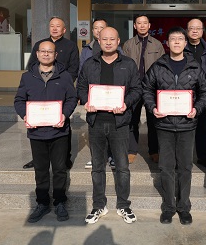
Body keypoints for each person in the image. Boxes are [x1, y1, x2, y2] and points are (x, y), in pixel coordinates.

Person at [142, 27, 206, 225]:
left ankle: (183, 207)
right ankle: (168, 207)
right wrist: (153, 107)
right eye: (173, 39)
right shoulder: (158, 66)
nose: (177, 42)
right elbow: (146, 89)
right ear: (167, 43)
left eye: (180, 39)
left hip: (187, 125)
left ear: (185, 43)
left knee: (185, 167)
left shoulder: (194, 67)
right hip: (164, 125)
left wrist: (196, 109)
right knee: (166, 167)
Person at [77, 27, 142, 224]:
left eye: (112, 39)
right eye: (104, 39)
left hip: (119, 123)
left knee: (122, 167)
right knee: (97, 167)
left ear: (118, 41)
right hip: (96, 122)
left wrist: (126, 104)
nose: (108, 42)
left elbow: (137, 89)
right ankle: (99, 205)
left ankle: (124, 205)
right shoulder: (90, 64)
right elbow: (81, 87)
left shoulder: (128, 64)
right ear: (99, 41)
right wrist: (86, 101)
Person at [14, 41, 78, 223]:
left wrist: (64, 115)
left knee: (59, 169)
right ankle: (42, 203)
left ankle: (60, 202)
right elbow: (19, 100)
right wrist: (25, 115)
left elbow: (72, 98)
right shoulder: (27, 77)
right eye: (43, 51)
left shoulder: (65, 76)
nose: (46, 54)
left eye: (50, 51)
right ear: (37, 54)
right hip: (37, 132)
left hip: (59, 132)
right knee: (41, 170)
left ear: (55, 55)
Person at [23, 16, 80, 170]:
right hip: (40, 87)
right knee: (39, 124)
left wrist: (64, 84)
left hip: (60, 88)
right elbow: (31, 66)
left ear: (64, 29)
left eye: (58, 26)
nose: (54, 28)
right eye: (52, 26)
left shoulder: (70, 46)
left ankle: (65, 158)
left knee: (63, 123)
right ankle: (38, 159)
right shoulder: (40, 44)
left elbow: (74, 68)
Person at [122, 14, 165, 163]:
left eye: (144, 23)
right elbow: (124, 66)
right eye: (139, 23)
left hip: (151, 87)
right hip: (133, 87)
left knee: (153, 120)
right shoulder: (128, 44)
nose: (142, 25)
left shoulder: (157, 45)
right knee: (132, 119)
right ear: (135, 26)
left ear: (149, 25)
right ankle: (131, 150)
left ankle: (154, 150)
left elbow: (162, 67)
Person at [79, 18, 115, 169]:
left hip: (112, 96)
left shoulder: (116, 48)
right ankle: (96, 157)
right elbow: (81, 72)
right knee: (94, 128)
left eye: (102, 27)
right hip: (94, 98)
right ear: (93, 31)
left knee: (113, 128)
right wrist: (83, 97)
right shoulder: (87, 49)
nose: (99, 30)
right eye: (96, 28)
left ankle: (112, 156)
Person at [184, 18, 206, 169]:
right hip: (185, 95)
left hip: (203, 94)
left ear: (202, 31)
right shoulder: (182, 47)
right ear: (187, 31)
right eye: (192, 28)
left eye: (198, 28)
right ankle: (183, 158)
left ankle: (202, 157)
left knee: (202, 128)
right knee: (184, 128)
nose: (195, 31)